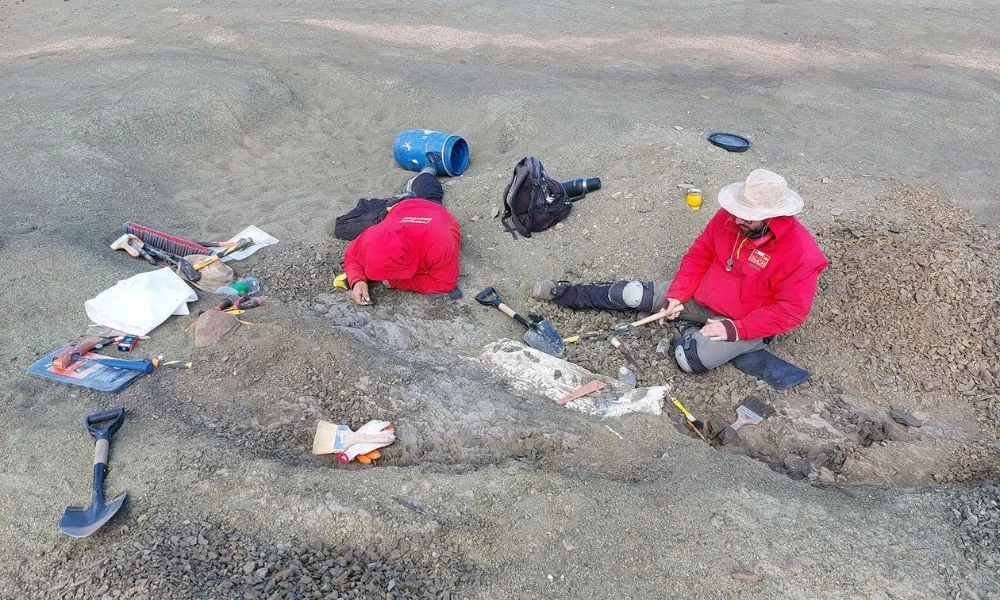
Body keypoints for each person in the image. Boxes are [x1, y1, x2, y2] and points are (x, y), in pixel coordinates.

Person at [533, 168, 828, 373]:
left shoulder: (801, 254)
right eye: (738, 211)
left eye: (747, 217)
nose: (737, 219)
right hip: (700, 295)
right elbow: (700, 254)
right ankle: (564, 292)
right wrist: (677, 295)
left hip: (742, 318)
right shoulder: (730, 217)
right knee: (633, 295)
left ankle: (732, 339)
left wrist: (736, 329)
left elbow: (790, 312)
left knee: (689, 359)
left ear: (771, 216)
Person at [343, 153, 461, 305]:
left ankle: (429, 166)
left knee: (430, 187)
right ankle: (406, 195)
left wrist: (398, 283)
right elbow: (351, 256)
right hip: (399, 210)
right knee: (342, 227)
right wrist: (357, 280)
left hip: (433, 210)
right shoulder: (372, 236)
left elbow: (444, 284)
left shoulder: (440, 246)